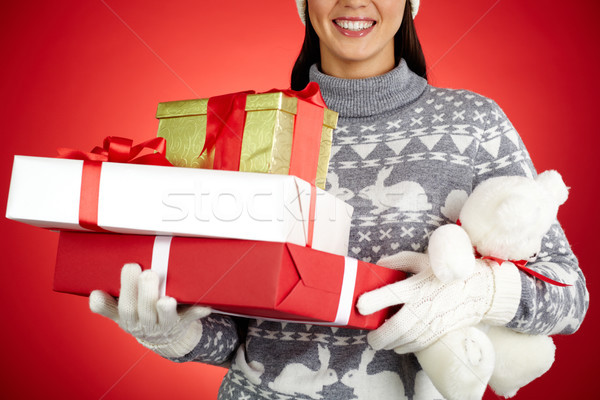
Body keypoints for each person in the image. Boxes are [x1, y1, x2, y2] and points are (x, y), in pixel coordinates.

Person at [89, 1, 589, 399]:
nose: (353, 1)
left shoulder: (473, 123)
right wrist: (175, 334)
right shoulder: (257, 131)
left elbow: (570, 298)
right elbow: (239, 335)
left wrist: (482, 291)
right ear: (303, 3)